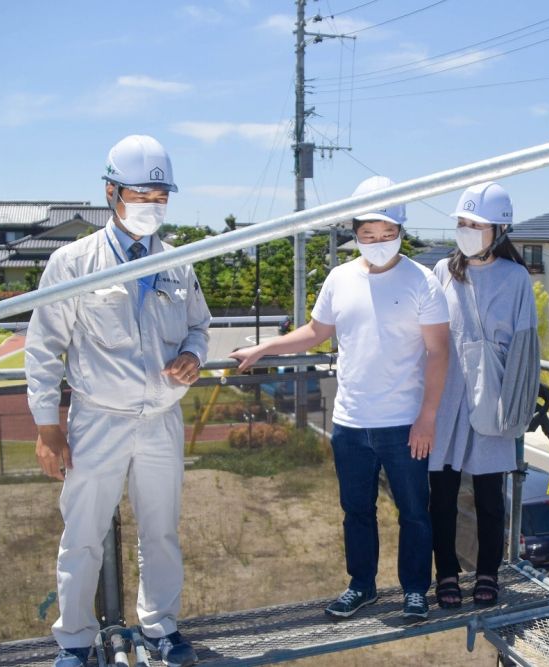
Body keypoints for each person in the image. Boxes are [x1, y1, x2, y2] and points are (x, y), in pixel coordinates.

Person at [25, 135, 210, 667]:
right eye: (141, 194)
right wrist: (46, 426)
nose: (152, 206)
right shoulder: (74, 262)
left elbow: (199, 326)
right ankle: (76, 641)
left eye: (160, 196)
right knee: (82, 534)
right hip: (97, 420)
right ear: (111, 192)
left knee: (161, 532)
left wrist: (194, 357)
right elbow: (44, 347)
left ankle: (160, 629)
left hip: (161, 419)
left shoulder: (179, 262)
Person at [230, 175, 450, 621]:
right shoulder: (339, 277)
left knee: (413, 512)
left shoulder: (422, 281)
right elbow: (315, 333)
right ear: (355, 234)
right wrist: (264, 347)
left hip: (403, 422)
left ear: (401, 232)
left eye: (387, 235)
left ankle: (414, 590)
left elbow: (438, 351)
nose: (378, 242)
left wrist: (427, 417)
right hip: (349, 421)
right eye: (368, 235)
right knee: (356, 511)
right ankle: (362, 586)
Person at [427, 182, 540, 609]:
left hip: (492, 396)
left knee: (491, 495)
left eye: (475, 223)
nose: (466, 230)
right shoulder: (443, 271)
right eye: (461, 222)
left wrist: (518, 404)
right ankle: (447, 576)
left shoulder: (516, 279)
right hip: (449, 396)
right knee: (442, 494)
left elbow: (526, 350)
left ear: (500, 228)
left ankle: (488, 572)